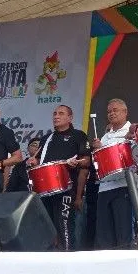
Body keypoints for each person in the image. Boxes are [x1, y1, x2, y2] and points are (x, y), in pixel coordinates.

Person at [34, 105, 90, 251]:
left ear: (70, 118)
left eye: (61, 113)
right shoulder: (46, 138)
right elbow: (39, 162)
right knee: (46, 226)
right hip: (45, 190)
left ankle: (66, 255)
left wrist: (75, 162)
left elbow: (86, 161)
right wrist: (33, 162)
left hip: (66, 188)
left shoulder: (78, 135)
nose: (56, 116)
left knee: (64, 225)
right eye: (54, 113)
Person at [91, 99, 133, 249]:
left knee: (124, 233)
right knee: (104, 234)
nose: (111, 114)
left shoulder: (132, 132)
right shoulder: (105, 136)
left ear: (125, 112)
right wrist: (97, 150)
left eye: (115, 110)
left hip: (125, 186)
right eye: (109, 111)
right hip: (104, 188)